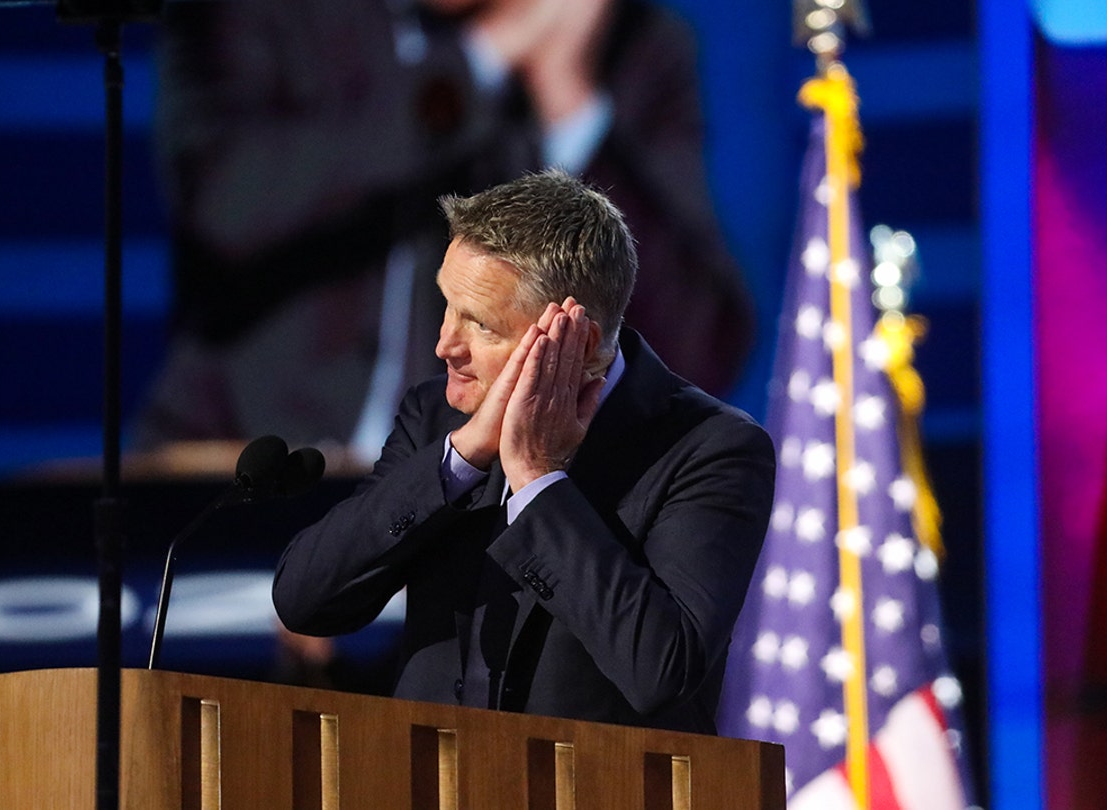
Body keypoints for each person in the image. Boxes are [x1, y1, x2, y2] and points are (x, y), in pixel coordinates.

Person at [272, 171, 775, 734]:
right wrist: (459, 460)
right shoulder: (437, 419)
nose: (444, 345)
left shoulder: (710, 449)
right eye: (446, 305)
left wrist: (537, 479)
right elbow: (304, 601)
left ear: (574, 340)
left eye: (480, 324)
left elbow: (661, 670)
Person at [137, 0, 753, 457]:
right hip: (245, 469)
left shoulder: (631, 49)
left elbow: (696, 348)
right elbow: (225, 207)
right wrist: (475, 66)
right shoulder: (258, 14)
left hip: (493, 501)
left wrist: (571, 107)